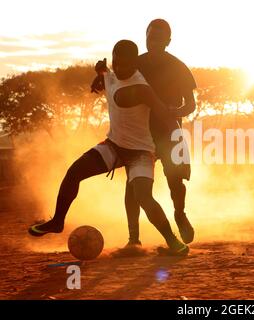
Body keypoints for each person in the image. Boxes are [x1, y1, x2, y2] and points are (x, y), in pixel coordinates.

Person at [29, 40, 189, 256]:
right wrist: (100, 72)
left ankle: (173, 241)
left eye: (126, 65)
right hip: (114, 146)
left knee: (143, 196)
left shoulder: (142, 89)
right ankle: (57, 222)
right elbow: (106, 73)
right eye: (117, 63)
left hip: (140, 152)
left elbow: (167, 117)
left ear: (135, 64)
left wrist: (176, 148)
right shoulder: (110, 75)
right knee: (74, 172)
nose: (121, 69)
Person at [124, 19, 197, 247]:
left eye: (157, 38)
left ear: (168, 41)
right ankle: (134, 238)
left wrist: (174, 112)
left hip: (169, 132)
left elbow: (191, 104)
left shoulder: (178, 67)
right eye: (149, 37)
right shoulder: (133, 64)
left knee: (175, 180)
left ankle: (179, 214)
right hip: (139, 134)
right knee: (134, 184)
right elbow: (117, 88)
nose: (152, 42)